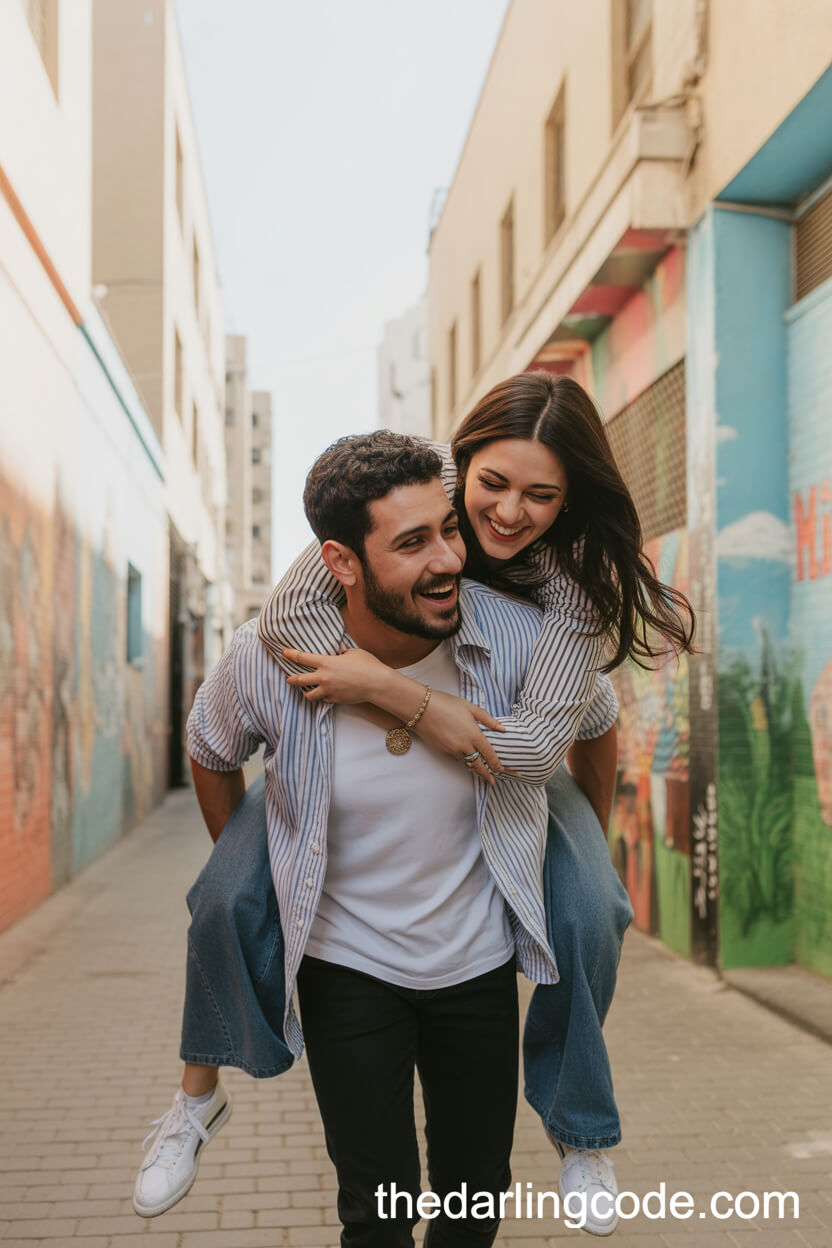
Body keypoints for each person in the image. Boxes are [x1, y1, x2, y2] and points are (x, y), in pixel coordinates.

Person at [134, 375, 694, 1237]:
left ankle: (582, 1129)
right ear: (458, 469)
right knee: (222, 896)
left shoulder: (552, 612)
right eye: (492, 488)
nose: (503, 517)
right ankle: (196, 1095)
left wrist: (391, 695)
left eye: (541, 494)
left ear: (569, 496)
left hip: (507, 831)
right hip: (350, 969)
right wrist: (285, 848)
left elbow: (574, 729)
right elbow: (274, 631)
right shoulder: (371, 538)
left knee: (589, 910)